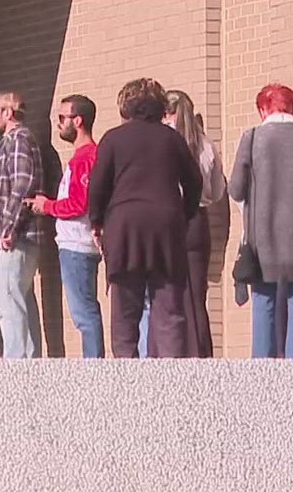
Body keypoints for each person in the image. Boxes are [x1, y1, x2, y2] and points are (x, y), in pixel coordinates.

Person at [86, 77, 203, 358]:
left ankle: (127, 373)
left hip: (124, 226)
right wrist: (183, 215)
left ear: (126, 106)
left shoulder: (113, 138)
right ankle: (170, 374)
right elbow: (194, 182)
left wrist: (97, 221)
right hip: (166, 225)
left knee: (125, 306)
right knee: (169, 308)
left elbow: (98, 185)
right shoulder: (171, 138)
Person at [229, 83, 293, 358]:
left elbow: (236, 189)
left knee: (264, 302)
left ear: (263, 109)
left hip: (263, 242)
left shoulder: (251, 138)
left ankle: (263, 373)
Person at [26, 94, 104, 358]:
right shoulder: (86, 157)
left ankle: (93, 368)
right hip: (79, 244)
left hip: (77, 245)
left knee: (84, 314)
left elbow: (77, 204)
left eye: (62, 118)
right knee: (85, 311)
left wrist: (46, 206)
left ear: (78, 121)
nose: (59, 124)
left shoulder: (86, 158)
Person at [0, 91, 45, 359]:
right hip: (18, 235)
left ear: (8, 113)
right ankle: (27, 361)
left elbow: (23, 184)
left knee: (7, 299)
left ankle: (17, 363)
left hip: (16, 237)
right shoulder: (12, 142)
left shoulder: (18, 140)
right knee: (19, 298)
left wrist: (9, 228)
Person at [166, 89, 226, 357]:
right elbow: (217, 191)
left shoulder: (166, 142)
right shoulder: (205, 144)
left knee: (173, 294)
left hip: (172, 219)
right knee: (197, 296)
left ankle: (180, 353)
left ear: (169, 112)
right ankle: (202, 353)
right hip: (198, 219)